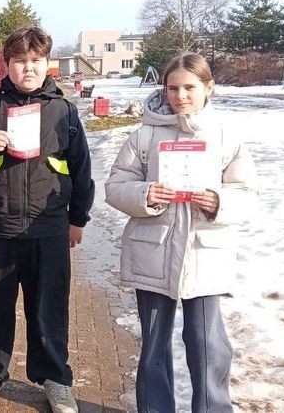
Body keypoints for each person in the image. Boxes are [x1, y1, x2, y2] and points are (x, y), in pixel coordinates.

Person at [105, 52, 258, 413]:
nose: (180, 96)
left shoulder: (226, 137)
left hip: (204, 255)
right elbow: (115, 186)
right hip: (153, 253)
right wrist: (145, 195)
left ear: (208, 87)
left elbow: (248, 194)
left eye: (189, 87)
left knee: (208, 344)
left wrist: (219, 202)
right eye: (172, 88)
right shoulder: (144, 135)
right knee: (153, 346)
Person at [0, 25, 94, 412]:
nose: (28, 68)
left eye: (35, 60)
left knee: (49, 306)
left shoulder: (64, 111)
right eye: (19, 61)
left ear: (47, 64)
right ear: (7, 64)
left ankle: (55, 378)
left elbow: (81, 168)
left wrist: (78, 218)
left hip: (48, 227)